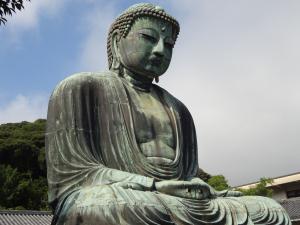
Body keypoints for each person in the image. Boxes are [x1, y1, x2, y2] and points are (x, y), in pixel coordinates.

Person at [46, 3, 291, 225]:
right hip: (122, 196)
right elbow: (74, 175)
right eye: (148, 38)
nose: (160, 50)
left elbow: (187, 175)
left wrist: (197, 187)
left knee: (269, 210)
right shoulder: (80, 88)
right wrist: (152, 184)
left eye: (169, 45)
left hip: (174, 200)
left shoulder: (178, 109)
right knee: (107, 206)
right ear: (116, 41)